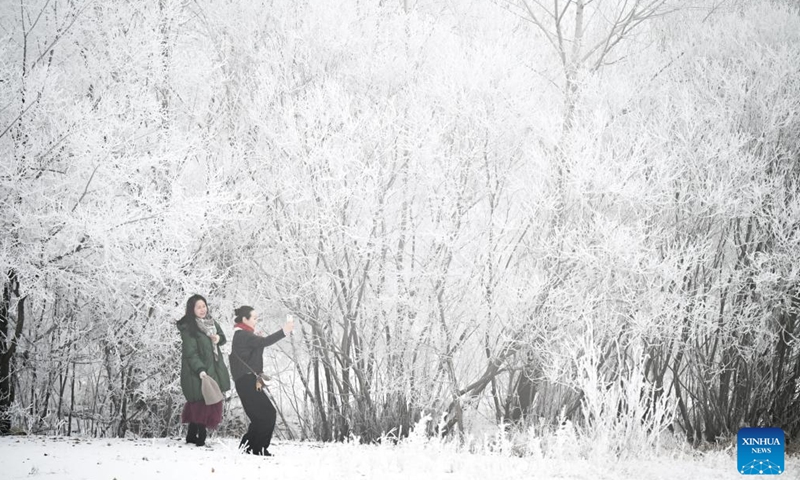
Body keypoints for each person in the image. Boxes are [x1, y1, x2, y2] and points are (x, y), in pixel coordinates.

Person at [229, 306, 294, 456]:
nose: (256, 321)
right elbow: (265, 342)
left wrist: (257, 340)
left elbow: (254, 352)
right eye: (254, 318)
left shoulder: (242, 335)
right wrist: (285, 331)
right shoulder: (243, 335)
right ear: (245, 319)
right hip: (246, 381)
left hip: (246, 381)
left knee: (259, 417)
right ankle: (258, 449)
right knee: (268, 414)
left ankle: (248, 448)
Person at [177, 294, 231, 447]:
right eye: (198, 307)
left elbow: (222, 337)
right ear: (191, 309)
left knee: (205, 400)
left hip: (212, 367)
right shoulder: (188, 327)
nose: (202, 310)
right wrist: (200, 369)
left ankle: (191, 436)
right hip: (195, 370)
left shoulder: (211, 323)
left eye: (204, 306)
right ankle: (200, 438)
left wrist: (218, 339)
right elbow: (191, 352)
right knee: (201, 401)